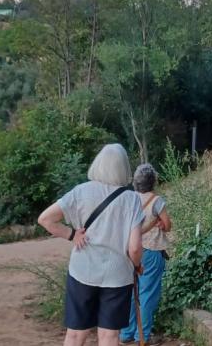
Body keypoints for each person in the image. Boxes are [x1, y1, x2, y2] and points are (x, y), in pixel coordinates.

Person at [37, 144, 143, 346]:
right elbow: (135, 248)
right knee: (109, 336)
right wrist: (137, 266)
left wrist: (71, 234)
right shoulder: (132, 200)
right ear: (124, 168)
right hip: (118, 275)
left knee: (75, 334)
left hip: (82, 271)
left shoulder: (80, 192)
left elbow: (45, 219)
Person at [120, 164, 172, 346]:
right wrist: (157, 223)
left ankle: (126, 333)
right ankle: (143, 337)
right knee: (147, 294)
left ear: (135, 182)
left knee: (130, 292)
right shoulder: (157, 201)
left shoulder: (129, 199)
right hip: (151, 251)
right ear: (153, 181)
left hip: (129, 250)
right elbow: (167, 225)